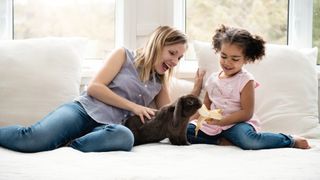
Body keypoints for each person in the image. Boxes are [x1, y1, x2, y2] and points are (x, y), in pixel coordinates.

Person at [0, 25, 200, 153]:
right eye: (172, 53)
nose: (174, 61)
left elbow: (170, 118)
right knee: (33, 140)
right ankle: (57, 138)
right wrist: (134, 107)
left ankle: (70, 145)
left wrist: (196, 95)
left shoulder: (160, 80)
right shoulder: (123, 55)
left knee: (125, 137)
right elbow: (95, 88)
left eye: (180, 58)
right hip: (83, 111)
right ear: (158, 44)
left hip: (107, 128)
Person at [187, 24, 310, 150]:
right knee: (185, 132)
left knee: (250, 141)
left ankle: (290, 140)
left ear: (246, 59)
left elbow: (247, 113)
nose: (227, 62)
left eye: (235, 59)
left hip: (238, 124)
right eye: (223, 56)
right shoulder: (213, 79)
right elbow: (205, 107)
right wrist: (189, 121)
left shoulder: (246, 80)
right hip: (213, 126)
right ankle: (221, 141)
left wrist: (223, 121)